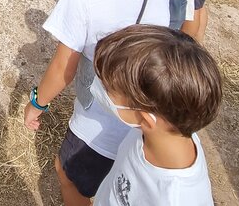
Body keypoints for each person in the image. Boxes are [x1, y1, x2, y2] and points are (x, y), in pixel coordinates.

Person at [24, 0, 170, 206]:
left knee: (67, 175)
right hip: (144, 122)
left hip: (99, 124)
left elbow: (64, 68)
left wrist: (38, 102)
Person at [91, 24, 223, 205]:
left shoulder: (175, 199)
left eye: (108, 89)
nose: (101, 89)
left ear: (145, 119)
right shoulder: (163, 129)